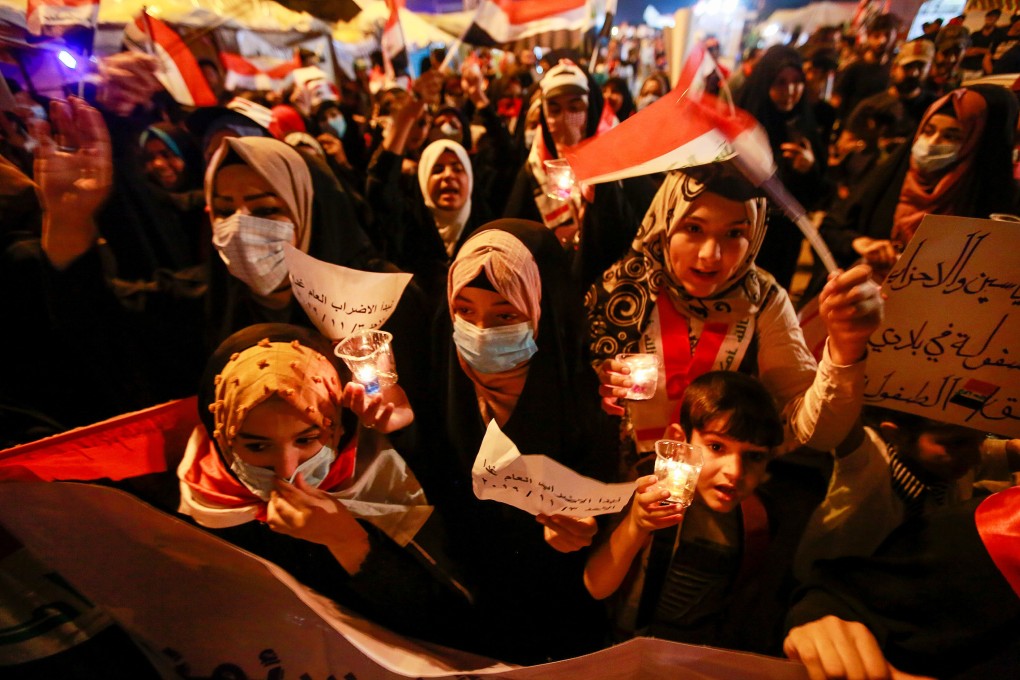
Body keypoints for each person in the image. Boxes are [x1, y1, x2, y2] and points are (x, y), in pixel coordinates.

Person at [178, 323, 475, 648]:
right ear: (222, 439)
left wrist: (348, 541)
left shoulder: (378, 479)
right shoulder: (207, 499)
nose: (286, 470)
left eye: (306, 439)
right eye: (258, 447)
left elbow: (447, 625)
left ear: (337, 430)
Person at [590, 162, 881, 476]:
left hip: (723, 485)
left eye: (734, 233)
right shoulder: (619, 288)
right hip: (621, 480)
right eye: (694, 228)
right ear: (665, 221)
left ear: (755, 235)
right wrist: (595, 387)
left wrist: (846, 349)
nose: (710, 255)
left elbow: (818, 432)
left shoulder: (764, 300)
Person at [422, 219, 617, 664]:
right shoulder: (435, 375)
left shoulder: (591, 396)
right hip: (459, 614)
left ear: (542, 309)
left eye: (505, 314)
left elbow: (604, 501)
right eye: (464, 310)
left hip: (555, 618)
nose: (481, 330)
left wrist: (587, 528)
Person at [585, 371, 806, 653]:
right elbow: (596, 585)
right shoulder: (653, 493)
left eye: (754, 456)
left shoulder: (756, 518)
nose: (735, 472)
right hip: (625, 648)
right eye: (716, 447)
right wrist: (636, 525)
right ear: (679, 441)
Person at [783, 485, 1020, 679]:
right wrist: (826, 623)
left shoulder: (950, 488)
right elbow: (841, 594)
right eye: (955, 443)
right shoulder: (1003, 527)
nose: (973, 456)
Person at [814, 84, 1018, 284]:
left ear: (974, 144)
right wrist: (857, 243)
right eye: (928, 131)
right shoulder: (892, 178)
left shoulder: (992, 204)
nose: (932, 142)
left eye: (951, 136)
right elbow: (833, 226)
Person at [794, 407, 1018, 581]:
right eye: (957, 443)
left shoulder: (957, 459)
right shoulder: (866, 459)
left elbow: (1008, 451)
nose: (975, 457)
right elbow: (837, 409)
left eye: (978, 441)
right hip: (827, 597)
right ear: (896, 435)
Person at [504, 59, 656, 288]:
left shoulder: (618, 163)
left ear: (591, 109)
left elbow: (638, 233)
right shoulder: (535, 169)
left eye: (575, 108)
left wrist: (599, 204)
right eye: (554, 110)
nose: (565, 118)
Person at [735, 45, 830, 290]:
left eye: (797, 82)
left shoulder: (806, 123)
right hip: (746, 231)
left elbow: (820, 191)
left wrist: (808, 169)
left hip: (786, 237)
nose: (790, 91)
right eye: (780, 82)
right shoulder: (746, 125)